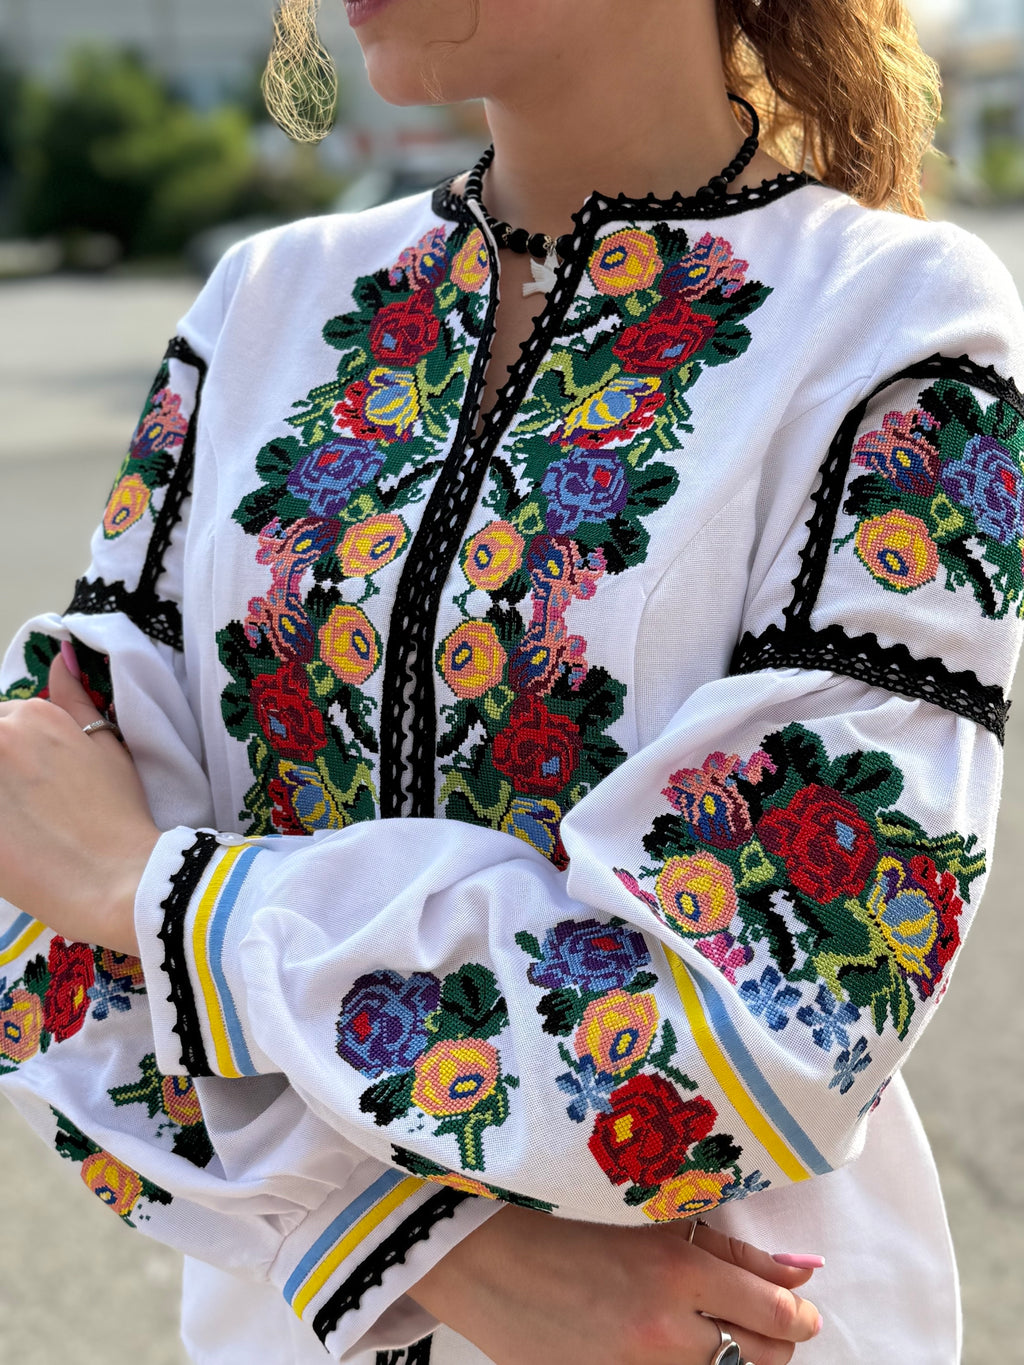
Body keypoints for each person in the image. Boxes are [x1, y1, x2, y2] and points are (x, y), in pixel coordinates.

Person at [1, 0, 1022, 1362]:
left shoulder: (903, 330)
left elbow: (787, 992)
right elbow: (33, 863)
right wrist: (408, 1240)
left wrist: (161, 891)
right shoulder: (259, 309)